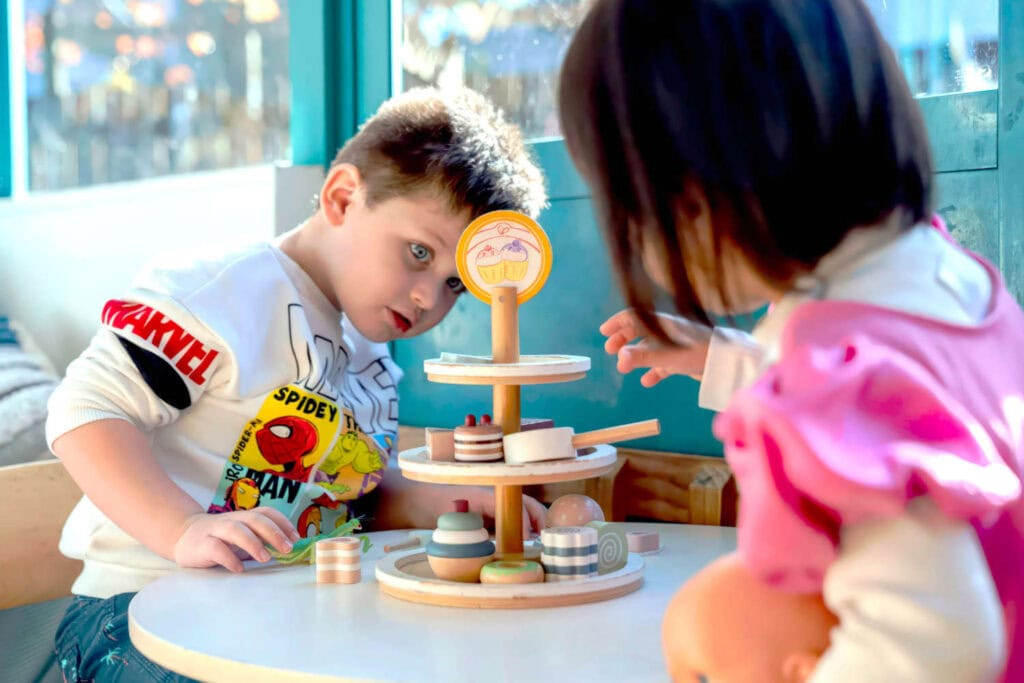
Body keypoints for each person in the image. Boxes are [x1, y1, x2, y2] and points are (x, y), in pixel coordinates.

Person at [558, 1, 1023, 681]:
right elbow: (890, 408)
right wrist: (723, 360)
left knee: (707, 620)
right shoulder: (951, 278)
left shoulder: (824, 374)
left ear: (695, 195)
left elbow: (937, 641)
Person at [46, 86, 548, 682]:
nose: (428, 297)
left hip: (284, 618)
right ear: (341, 197)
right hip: (139, 612)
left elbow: (350, 493)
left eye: (454, 285)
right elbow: (86, 410)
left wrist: (448, 505)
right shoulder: (222, 294)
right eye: (418, 252)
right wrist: (183, 528)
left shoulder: (372, 353)